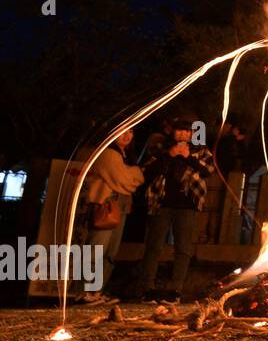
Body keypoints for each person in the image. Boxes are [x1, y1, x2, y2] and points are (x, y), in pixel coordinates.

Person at [129, 118, 215, 302]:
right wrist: (169, 154)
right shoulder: (161, 148)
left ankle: (176, 289)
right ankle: (147, 288)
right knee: (154, 246)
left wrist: (188, 158)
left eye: (187, 131)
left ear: (192, 133)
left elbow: (208, 171)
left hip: (187, 205)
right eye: (179, 131)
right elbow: (147, 171)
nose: (183, 134)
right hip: (161, 203)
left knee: (183, 248)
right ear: (172, 131)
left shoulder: (200, 150)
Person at [81, 127, 145, 302]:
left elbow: (139, 178)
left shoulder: (126, 155)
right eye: (123, 131)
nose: (127, 135)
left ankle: (97, 291)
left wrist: (130, 176)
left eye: (131, 132)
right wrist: (131, 176)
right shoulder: (108, 153)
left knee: (110, 252)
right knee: (96, 248)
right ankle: (87, 289)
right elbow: (125, 180)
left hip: (121, 205)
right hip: (105, 203)